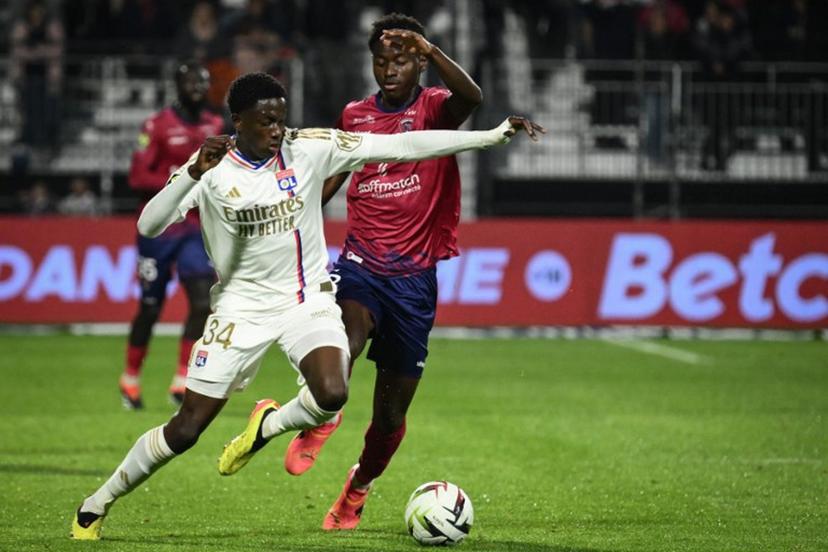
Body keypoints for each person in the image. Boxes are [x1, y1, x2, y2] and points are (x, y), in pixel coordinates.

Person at [70, 71, 543, 541]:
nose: (277, 130)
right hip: (240, 309)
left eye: (281, 119)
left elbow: (400, 147)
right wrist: (191, 174)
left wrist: (490, 136)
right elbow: (149, 224)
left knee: (333, 392)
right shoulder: (211, 166)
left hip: (306, 299)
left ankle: (267, 426)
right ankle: (96, 504)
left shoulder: (310, 146)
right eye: (265, 121)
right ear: (239, 121)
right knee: (187, 429)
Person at [281, 13, 485, 531]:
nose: (389, 69)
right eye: (381, 59)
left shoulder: (435, 107)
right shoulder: (355, 115)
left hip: (415, 279)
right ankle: (325, 413)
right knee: (346, 339)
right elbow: (334, 175)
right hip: (361, 261)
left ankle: (358, 487)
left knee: (390, 416)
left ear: (418, 61)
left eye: (400, 59)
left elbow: (474, 99)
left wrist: (433, 49)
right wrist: (298, 217)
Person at [119, 61, 224, 410]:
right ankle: (130, 378)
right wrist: (182, 178)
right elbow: (137, 178)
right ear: (177, 85)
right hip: (160, 229)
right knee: (151, 306)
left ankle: (182, 380)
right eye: (191, 80)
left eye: (203, 80)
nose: (197, 86)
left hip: (196, 228)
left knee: (201, 301)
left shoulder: (216, 124)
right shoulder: (157, 125)